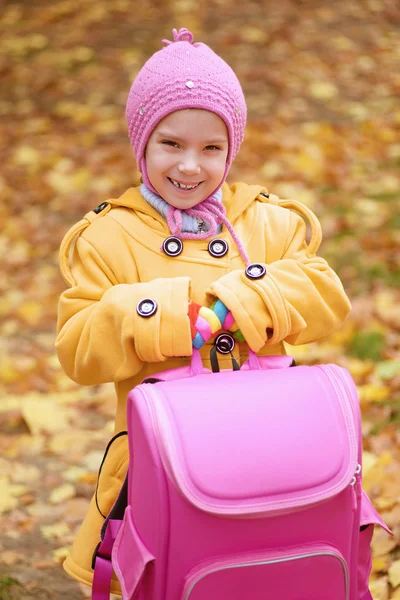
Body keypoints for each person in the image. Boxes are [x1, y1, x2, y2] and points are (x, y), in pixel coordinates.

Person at [56, 27, 351, 593]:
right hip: (164, 464)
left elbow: (324, 295)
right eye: (171, 144)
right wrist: (165, 312)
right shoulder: (108, 237)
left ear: (231, 149)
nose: (191, 166)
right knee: (177, 572)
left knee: (262, 568)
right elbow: (78, 350)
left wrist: (240, 300)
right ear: (141, 141)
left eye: (212, 148)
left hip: (270, 452)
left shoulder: (266, 221)